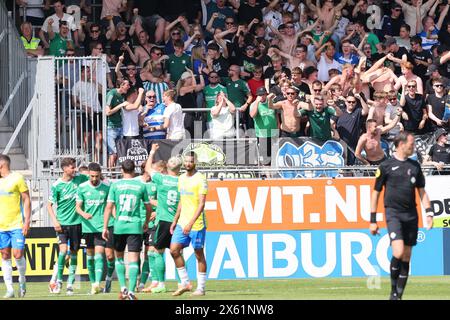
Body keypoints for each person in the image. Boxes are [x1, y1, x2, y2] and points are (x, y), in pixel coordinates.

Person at [370, 131, 434, 300]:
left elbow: (422, 192)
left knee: (406, 256)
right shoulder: (386, 166)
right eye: (411, 144)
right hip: (393, 214)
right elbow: (376, 193)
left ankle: (399, 295)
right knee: (397, 252)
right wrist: (373, 220)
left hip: (411, 216)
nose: (413, 147)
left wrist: (429, 213)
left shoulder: (415, 166)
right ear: (400, 144)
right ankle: (393, 291)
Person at [102, 159, 152, 300]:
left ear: (122, 170)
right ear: (134, 170)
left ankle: (123, 288)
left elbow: (109, 207)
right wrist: (146, 222)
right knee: (134, 260)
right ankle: (131, 292)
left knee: (119, 258)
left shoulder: (115, 185)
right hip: (135, 226)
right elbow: (148, 208)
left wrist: (105, 227)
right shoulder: (141, 186)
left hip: (119, 226)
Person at [47, 157, 88, 295]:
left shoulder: (80, 179)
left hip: (77, 224)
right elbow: (49, 205)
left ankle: (70, 284)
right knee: (63, 251)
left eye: (75, 167)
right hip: (63, 224)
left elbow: (95, 178)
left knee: (74, 253)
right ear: (64, 168)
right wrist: (55, 221)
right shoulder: (57, 185)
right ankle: (58, 281)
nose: (74, 169)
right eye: (72, 167)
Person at [144, 144, 182, 294]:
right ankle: (182, 282)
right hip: (178, 221)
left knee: (157, 251)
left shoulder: (161, 179)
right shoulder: (183, 181)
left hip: (164, 220)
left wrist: (152, 151)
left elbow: (148, 168)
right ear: (180, 168)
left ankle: (160, 283)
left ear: (168, 166)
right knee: (178, 253)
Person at [170, 152, 208, 296]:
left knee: (199, 254)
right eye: (185, 161)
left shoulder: (200, 179)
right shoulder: (181, 178)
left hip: (196, 224)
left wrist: (191, 223)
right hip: (182, 222)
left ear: (195, 162)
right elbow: (181, 201)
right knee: (174, 250)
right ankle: (185, 283)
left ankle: (201, 288)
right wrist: (175, 220)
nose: (187, 164)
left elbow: (201, 204)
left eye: (190, 161)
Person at [75, 162, 115, 294]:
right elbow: (78, 207)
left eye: (97, 176)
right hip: (88, 228)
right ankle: (94, 285)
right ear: (88, 175)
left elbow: (111, 206)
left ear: (100, 175)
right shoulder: (82, 188)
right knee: (90, 258)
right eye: (92, 176)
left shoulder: (107, 187)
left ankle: (99, 283)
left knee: (101, 255)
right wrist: (83, 214)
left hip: (102, 226)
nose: (94, 179)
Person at [0, 155, 31, 298]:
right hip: (1, 226)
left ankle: (22, 281)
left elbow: (26, 199)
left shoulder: (17, 178)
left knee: (17, 254)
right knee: (5, 255)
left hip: (16, 224)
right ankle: (10, 289)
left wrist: (27, 221)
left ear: (2, 165)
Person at [105, 79, 131, 168]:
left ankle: (113, 173)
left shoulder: (121, 96)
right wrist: (121, 105)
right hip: (111, 127)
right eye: (127, 85)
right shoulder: (112, 94)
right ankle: (110, 174)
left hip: (120, 126)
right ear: (121, 85)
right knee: (113, 153)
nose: (129, 87)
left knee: (118, 153)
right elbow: (107, 112)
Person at [250, 89, 278, 166]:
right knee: (265, 157)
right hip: (262, 134)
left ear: (266, 94)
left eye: (263, 94)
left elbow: (276, 115)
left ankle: (273, 173)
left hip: (273, 132)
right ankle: (266, 174)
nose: (262, 96)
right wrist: (256, 102)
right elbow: (252, 115)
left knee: (274, 154)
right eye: (260, 95)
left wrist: (278, 127)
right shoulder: (254, 104)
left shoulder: (271, 102)